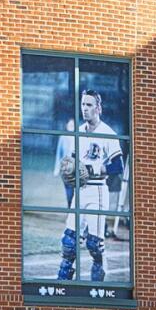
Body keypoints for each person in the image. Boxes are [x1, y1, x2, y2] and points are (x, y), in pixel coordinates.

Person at [56, 84, 126, 283]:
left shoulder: (108, 134)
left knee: (94, 245)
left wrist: (93, 170)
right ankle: (63, 282)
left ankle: (99, 281)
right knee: (69, 242)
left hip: (97, 191)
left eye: (89, 105)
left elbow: (117, 166)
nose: (84, 108)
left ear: (98, 108)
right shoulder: (78, 132)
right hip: (81, 191)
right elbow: (72, 161)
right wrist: (68, 170)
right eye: (83, 104)